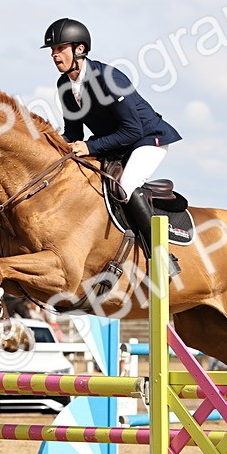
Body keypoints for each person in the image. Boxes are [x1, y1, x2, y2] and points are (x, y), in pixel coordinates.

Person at [42, 17, 184, 278]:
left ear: (79, 50)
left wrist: (90, 146)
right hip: (114, 144)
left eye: (60, 48)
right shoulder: (64, 85)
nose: (54, 55)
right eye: (52, 50)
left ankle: (163, 256)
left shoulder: (108, 78)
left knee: (125, 186)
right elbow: (73, 132)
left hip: (148, 139)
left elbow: (133, 130)